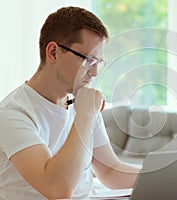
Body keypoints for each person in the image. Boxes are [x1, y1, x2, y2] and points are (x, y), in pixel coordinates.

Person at [0, 6, 140, 199]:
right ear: (53, 52)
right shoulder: (12, 113)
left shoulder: (82, 104)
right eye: (89, 60)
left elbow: (110, 171)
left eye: (99, 62)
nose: (95, 72)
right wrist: (85, 116)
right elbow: (57, 189)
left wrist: (164, 176)